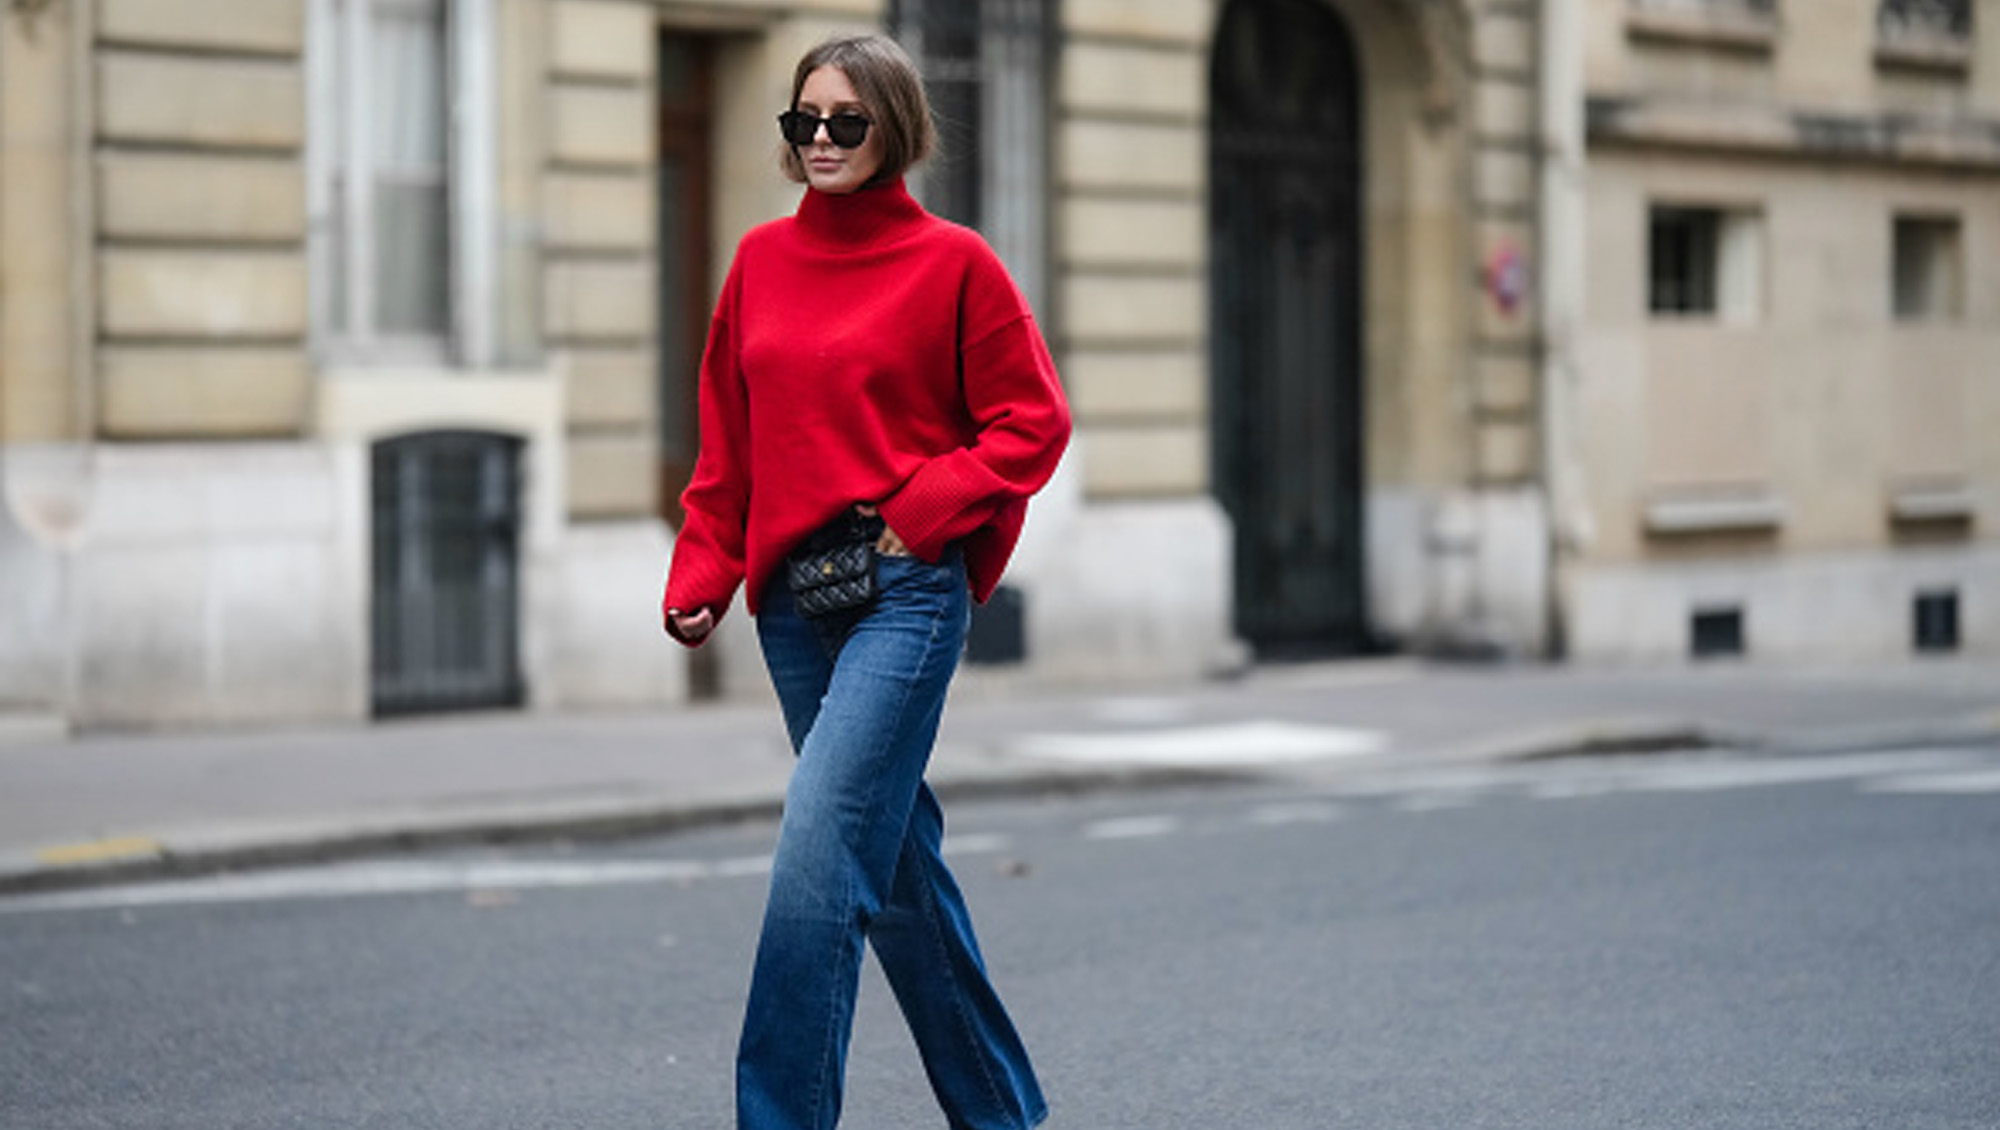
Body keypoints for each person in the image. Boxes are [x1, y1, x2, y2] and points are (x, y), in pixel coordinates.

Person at [661, 33, 1069, 1130]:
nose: (825, 139)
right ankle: (1002, 1112)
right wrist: (702, 568)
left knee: (817, 852)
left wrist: (922, 510)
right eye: (806, 122)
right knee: (890, 869)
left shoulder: (955, 265)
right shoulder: (755, 264)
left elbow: (1032, 419)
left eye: (847, 120)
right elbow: (727, 445)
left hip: (905, 595)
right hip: (793, 607)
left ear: (894, 126)